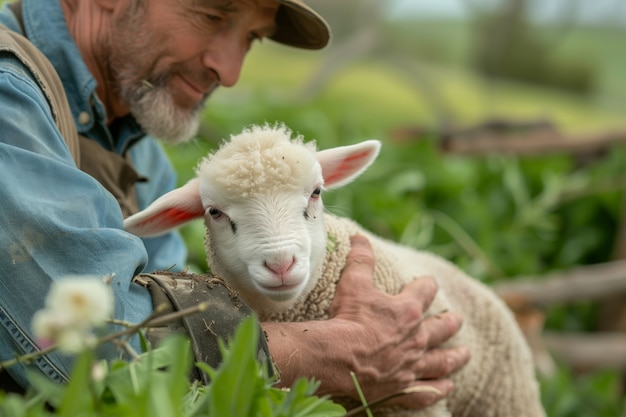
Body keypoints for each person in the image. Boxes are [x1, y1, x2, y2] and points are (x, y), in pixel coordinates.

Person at [0, 0, 469, 409]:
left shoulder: (141, 150)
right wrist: (321, 352)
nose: (230, 71)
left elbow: (170, 311)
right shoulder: (7, 96)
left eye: (251, 38)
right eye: (211, 13)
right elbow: (97, 350)